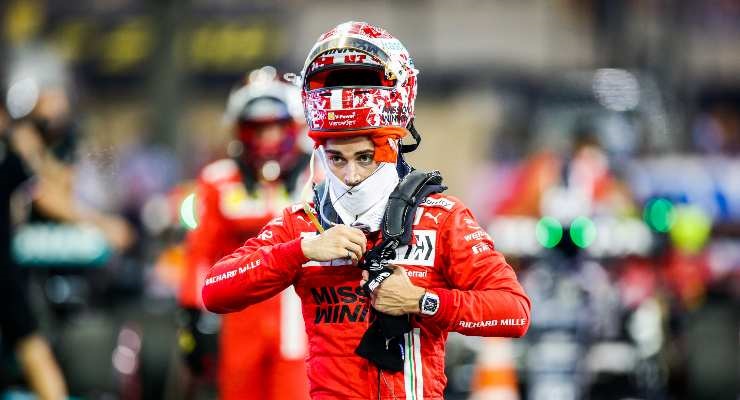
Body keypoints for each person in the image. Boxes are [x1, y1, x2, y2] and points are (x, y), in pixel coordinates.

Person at [202, 21, 531, 400]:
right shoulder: (302, 223)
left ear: (392, 146)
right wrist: (302, 251)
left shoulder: (441, 217)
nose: (352, 174)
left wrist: (423, 301)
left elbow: (515, 312)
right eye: (336, 158)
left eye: (365, 156)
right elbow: (215, 291)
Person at [178, 66, 311, 400]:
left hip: (298, 315)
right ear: (240, 130)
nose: (267, 139)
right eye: (257, 128)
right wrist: (192, 316)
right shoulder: (217, 180)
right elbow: (200, 253)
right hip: (239, 316)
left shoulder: (321, 174)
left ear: (294, 126)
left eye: (276, 127)